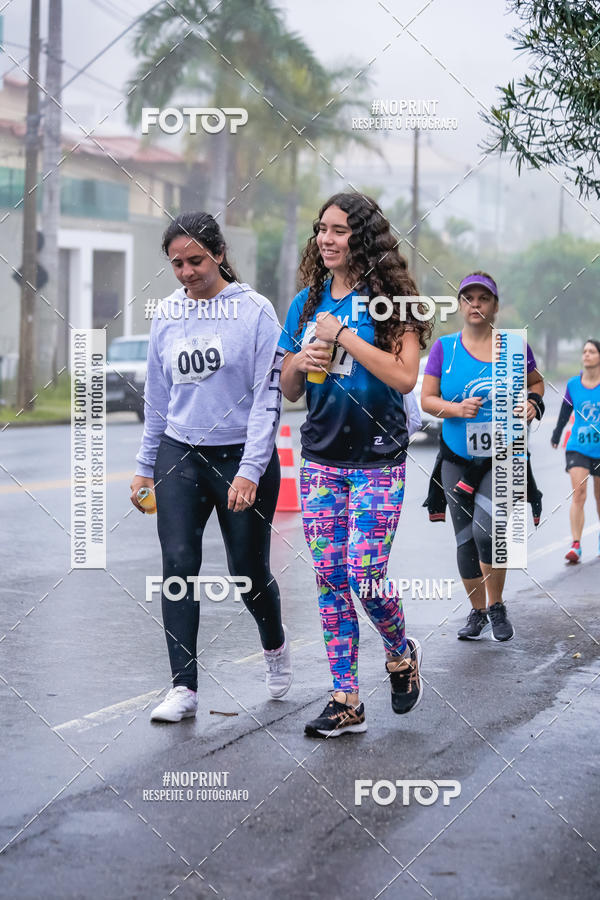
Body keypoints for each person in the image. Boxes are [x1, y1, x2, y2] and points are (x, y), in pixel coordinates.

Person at [279, 192, 431, 738]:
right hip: (320, 460)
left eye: (338, 230)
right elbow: (290, 388)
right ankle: (346, 699)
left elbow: (405, 376)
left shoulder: (394, 303)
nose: (325, 239)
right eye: (321, 229)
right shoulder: (305, 303)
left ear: (362, 237)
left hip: (379, 461)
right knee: (329, 579)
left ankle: (399, 652)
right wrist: (303, 358)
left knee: (366, 577)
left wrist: (341, 335)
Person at [130, 212, 291, 722]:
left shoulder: (256, 312)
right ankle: (184, 688)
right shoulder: (167, 314)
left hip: (243, 456)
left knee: (247, 571)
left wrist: (249, 469)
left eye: (196, 260)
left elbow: (270, 401)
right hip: (180, 454)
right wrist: (142, 466)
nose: (186, 272)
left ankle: (274, 645)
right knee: (178, 566)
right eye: (177, 263)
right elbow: (158, 400)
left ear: (219, 254)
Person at [421, 271, 544, 642]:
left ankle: (497, 605)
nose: (475, 304)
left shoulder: (514, 347)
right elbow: (427, 400)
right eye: (468, 298)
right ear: (460, 305)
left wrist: (533, 403)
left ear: (495, 305)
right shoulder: (445, 348)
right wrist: (457, 410)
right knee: (465, 541)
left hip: (503, 456)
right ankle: (477, 612)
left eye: (483, 298)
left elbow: (536, 383)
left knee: (488, 532)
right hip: (457, 457)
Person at [551, 339, 600, 563]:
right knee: (579, 493)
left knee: (599, 498)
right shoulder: (573, 384)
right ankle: (576, 544)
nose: (587, 355)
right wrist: (556, 433)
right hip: (577, 447)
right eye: (585, 351)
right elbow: (564, 411)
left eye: (592, 351)